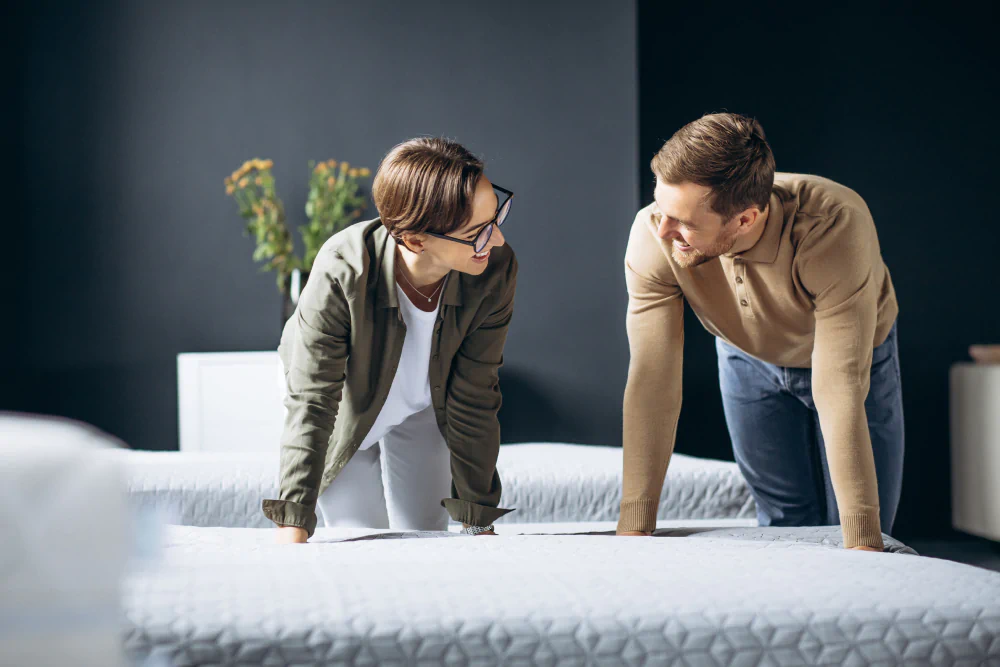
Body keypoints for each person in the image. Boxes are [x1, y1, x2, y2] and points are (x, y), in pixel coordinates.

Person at [618, 113, 902, 551]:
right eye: (660, 207)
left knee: (864, 526)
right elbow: (652, 381)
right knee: (785, 525)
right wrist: (634, 529)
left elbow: (839, 388)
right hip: (746, 358)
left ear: (746, 219)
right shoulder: (655, 233)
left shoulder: (832, 223)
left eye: (684, 221)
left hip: (854, 359)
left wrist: (866, 544)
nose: (663, 229)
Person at [262, 137, 517, 543]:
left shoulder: (493, 268)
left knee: (427, 535)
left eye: (497, 219)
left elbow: (475, 397)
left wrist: (479, 523)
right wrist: (293, 521)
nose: (498, 241)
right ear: (416, 239)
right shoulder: (342, 268)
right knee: (362, 539)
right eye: (477, 232)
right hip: (344, 405)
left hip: (422, 403)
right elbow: (314, 401)